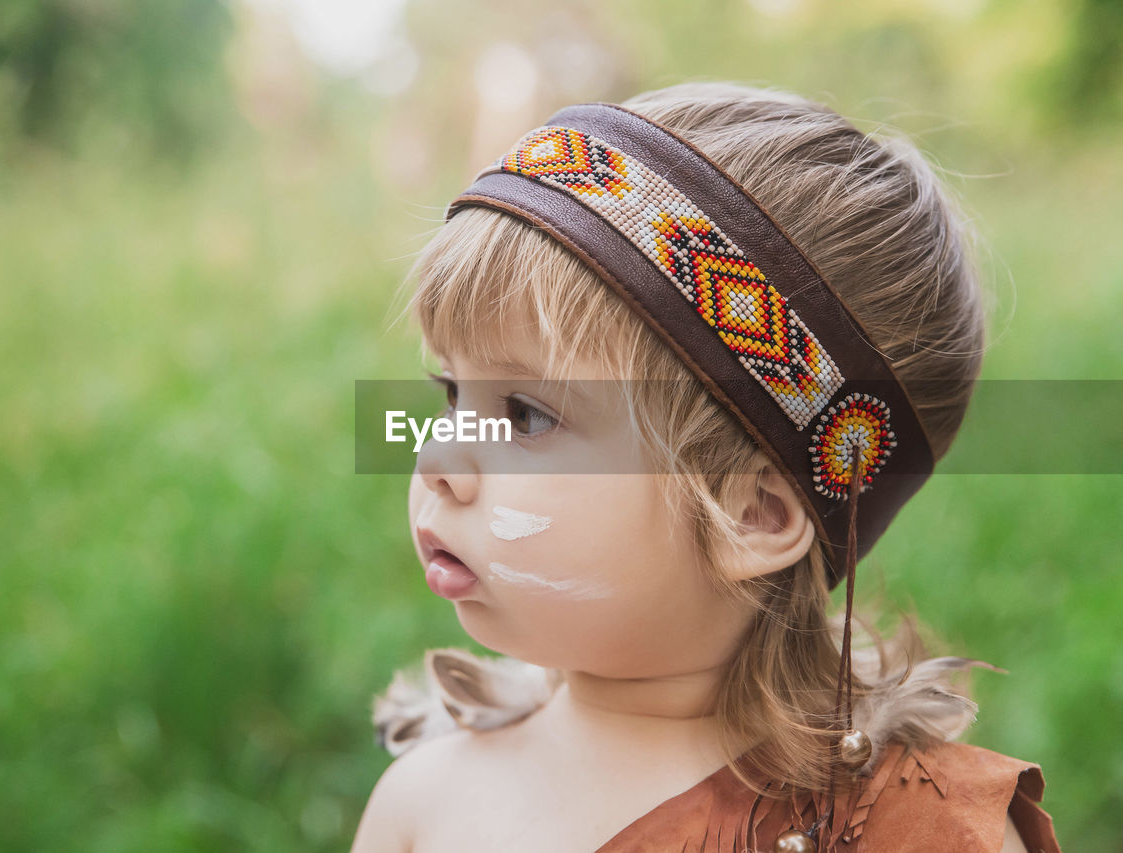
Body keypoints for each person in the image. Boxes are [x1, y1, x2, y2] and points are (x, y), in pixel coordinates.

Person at [351, 81, 1062, 852]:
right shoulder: (428, 803)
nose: (437, 457)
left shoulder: (918, 830)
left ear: (752, 514)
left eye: (526, 413)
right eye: (451, 392)